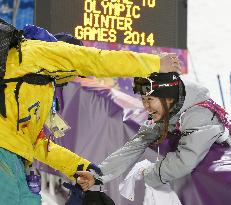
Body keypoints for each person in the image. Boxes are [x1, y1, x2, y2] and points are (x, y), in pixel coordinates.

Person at [0, 18, 180, 205]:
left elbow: (37, 144)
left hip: (15, 156)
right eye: (74, 73)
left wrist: (79, 167)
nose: (73, 78)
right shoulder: (44, 52)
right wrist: (155, 64)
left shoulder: (34, 80)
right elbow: (97, 60)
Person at [78, 72, 231, 205]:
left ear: (168, 98)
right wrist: (98, 175)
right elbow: (137, 144)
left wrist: (148, 174)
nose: (146, 106)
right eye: (143, 100)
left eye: (150, 100)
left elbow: (185, 161)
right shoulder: (170, 107)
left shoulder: (198, 115)